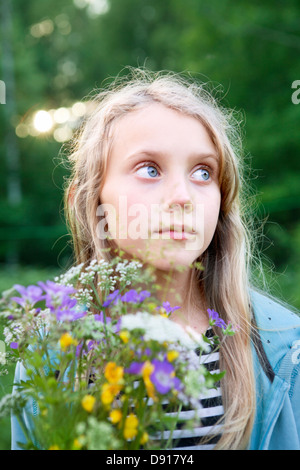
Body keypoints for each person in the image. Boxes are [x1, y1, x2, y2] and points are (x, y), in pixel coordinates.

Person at [12, 68, 300, 450]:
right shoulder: (50, 352)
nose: (182, 196)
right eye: (150, 169)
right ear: (91, 200)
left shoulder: (283, 349)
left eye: (203, 172)